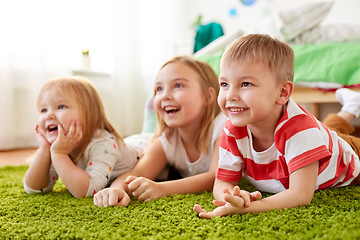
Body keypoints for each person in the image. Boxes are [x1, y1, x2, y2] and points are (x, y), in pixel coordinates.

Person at [193, 34, 360, 218]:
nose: (230, 95)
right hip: (318, 138)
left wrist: (249, 208)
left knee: (326, 136)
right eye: (224, 84)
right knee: (326, 132)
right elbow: (222, 182)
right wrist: (231, 198)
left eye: (245, 84)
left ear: (282, 93)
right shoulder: (232, 129)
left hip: (348, 155)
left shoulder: (300, 130)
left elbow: (300, 194)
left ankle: (350, 108)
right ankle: (351, 107)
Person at [93, 56, 227, 207]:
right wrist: (117, 189)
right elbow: (136, 172)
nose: (165, 95)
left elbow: (216, 177)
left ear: (208, 96)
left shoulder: (223, 128)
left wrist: (162, 188)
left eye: (178, 85)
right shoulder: (168, 140)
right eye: (159, 89)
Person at [23, 76, 143, 198]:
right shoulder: (60, 144)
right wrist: (44, 149)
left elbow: (88, 190)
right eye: (44, 110)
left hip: (144, 151)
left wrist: (59, 154)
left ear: (89, 114)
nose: (48, 116)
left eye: (61, 107)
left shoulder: (103, 143)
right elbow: (35, 188)